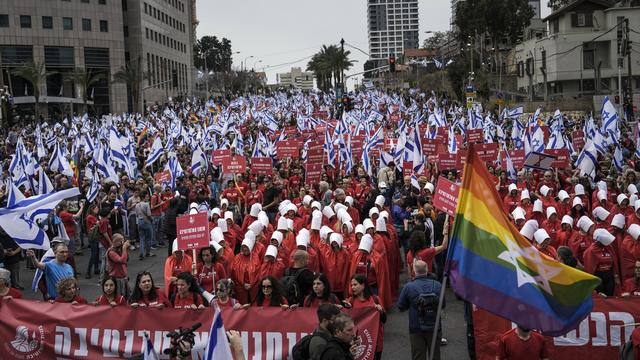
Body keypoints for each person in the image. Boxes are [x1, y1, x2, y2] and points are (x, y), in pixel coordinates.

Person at [397, 260, 444, 360]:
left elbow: (401, 306)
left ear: (414, 271)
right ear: (427, 270)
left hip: (416, 327)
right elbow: (442, 305)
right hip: (435, 327)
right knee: (435, 355)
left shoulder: (409, 287)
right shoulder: (437, 285)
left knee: (418, 356)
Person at [344, 274, 386, 360]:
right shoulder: (351, 301)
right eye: (351, 285)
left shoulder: (375, 299)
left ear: (363, 285)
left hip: (375, 341)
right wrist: (343, 306)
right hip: (357, 342)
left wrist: (380, 311)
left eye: (355, 285)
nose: (352, 287)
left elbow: (384, 320)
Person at [106, 233, 131, 298]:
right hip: (116, 279)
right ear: (115, 241)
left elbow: (127, 259)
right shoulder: (111, 252)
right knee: (118, 297)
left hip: (123, 277)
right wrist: (124, 249)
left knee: (126, 296)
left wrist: (127, 249)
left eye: (123, 240)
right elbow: (122, 261)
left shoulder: (119, 249)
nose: (122, 243)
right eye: (120, 241)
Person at [135, 191, 155, 260]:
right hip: (146, 221)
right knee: (149, 238)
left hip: (139, 221)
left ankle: (141, 253)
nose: (148, 198)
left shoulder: (137, 205)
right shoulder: (146, 204)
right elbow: (149, 214)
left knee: (142, 238)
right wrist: (151, 220)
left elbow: (137, 214)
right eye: (146, 197)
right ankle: (148, 252)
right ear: (143, 198)